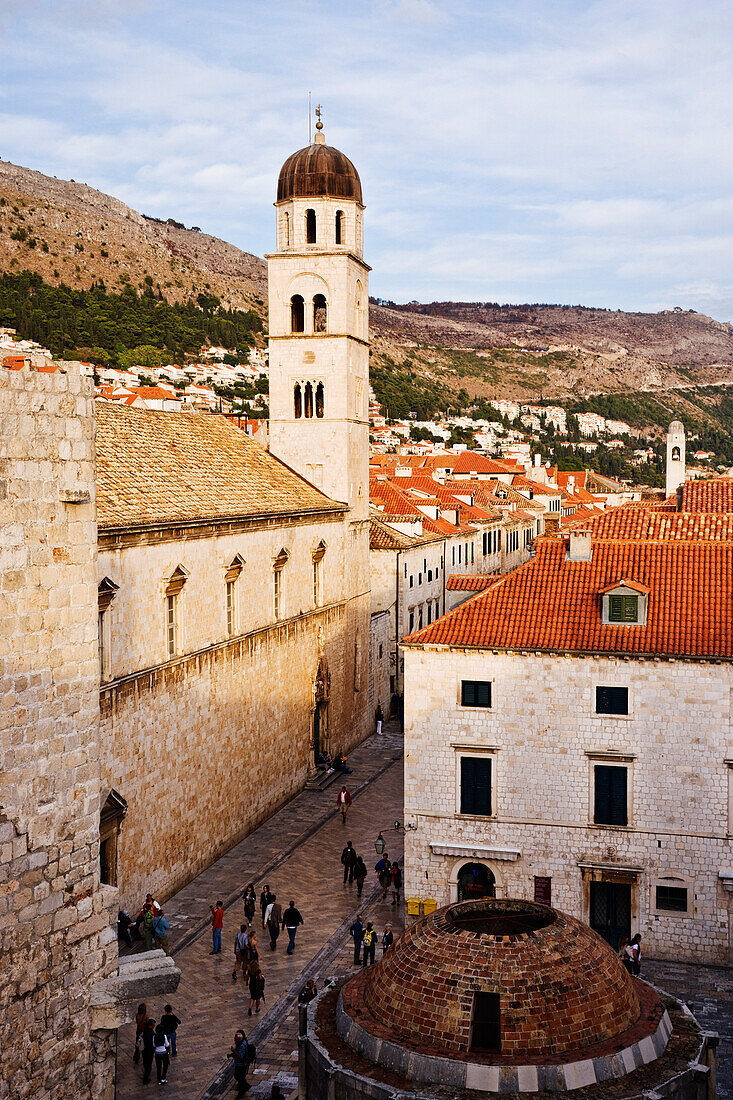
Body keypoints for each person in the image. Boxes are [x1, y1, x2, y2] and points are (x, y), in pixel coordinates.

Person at [230, 1030, 250, 1095]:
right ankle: (245, 1086)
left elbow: (240, 1056)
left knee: (238, 1076)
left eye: (235, 1039)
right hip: (239, 1064)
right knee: (240, 1076)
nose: (234, 1040)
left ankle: (243, 1088)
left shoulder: (242, 1046)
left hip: (241, 1065)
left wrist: (234, 1051)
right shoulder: (241, 1042)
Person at [140, 1017, 156, 1084]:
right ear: (151, 1025)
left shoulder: (145, 1030)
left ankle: (145, 1074)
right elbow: (152, 1043)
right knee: (149, 1065)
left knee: (145, 1063)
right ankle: (146, 1079)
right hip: (149, 1051)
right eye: (153, 1025)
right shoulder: (151, 1033)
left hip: (144, 1050)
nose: (154, 1026)